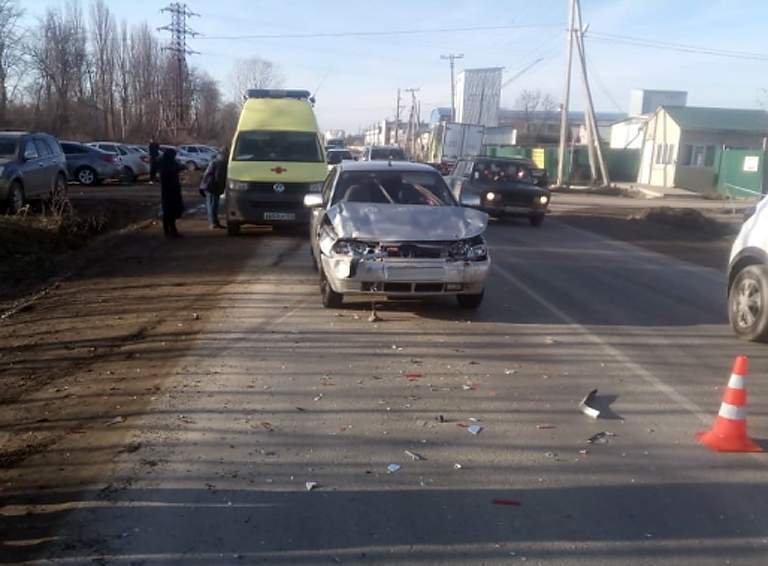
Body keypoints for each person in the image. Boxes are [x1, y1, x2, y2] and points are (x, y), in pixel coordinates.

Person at [199, 147, 228, 229]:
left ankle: (215, 222)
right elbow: (217, 177)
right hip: (211, 186)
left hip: (212, 186)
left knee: (213, 205)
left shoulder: (219, 161)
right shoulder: (219, 162)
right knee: (212, 205)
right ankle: (213, 223)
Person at [159, 148, 184, 238]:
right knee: (169, 212)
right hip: (168, 191)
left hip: (173, 190)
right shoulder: (165, 165)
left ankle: (170, 230)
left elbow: (178, 167)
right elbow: (170, 172)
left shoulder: (171, 162)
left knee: (171, 211)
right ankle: (170, 231)